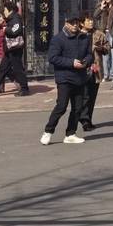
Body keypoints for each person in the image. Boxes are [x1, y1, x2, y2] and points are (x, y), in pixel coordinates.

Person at [40, 17, 93, 145]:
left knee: (78, 108)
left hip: (79, 78)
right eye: (72, 23)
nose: (75, 25)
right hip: (64, 78)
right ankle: (48, 131)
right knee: (61, 106)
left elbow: (89, 54)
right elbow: (53, 58)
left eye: (76, 23)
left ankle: (70, 133)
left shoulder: (84, 38)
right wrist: (71, 63)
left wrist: (86, 62)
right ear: (66, 23)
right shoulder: (58, 39)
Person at [0, 1, 30, 96]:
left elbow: (16, 31)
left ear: (10, 10)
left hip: (15, 49)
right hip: (9, 49)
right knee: (2, 69)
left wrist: (6, 29)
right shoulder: (10, 19)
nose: (4, 12)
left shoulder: (16, 18)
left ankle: (24, 89)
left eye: (5, 10)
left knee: (18, 69)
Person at [79, 14, 107, 131]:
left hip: (96, 69)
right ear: (82, 23)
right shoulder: (78, 35)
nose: (91, 23)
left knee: (92, 96)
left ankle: (88, 119)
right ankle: (84, 120)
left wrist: (100, 48)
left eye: (92, 21)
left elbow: (107, 47)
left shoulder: (99, 34)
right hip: (82, 70)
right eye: (88, 21)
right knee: (84, 96)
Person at [93, 0, 113, 81]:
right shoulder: (102, 7)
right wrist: (101, 8)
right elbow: (95, 16)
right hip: (104, 34)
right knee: (105, 55)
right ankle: (105, 75)